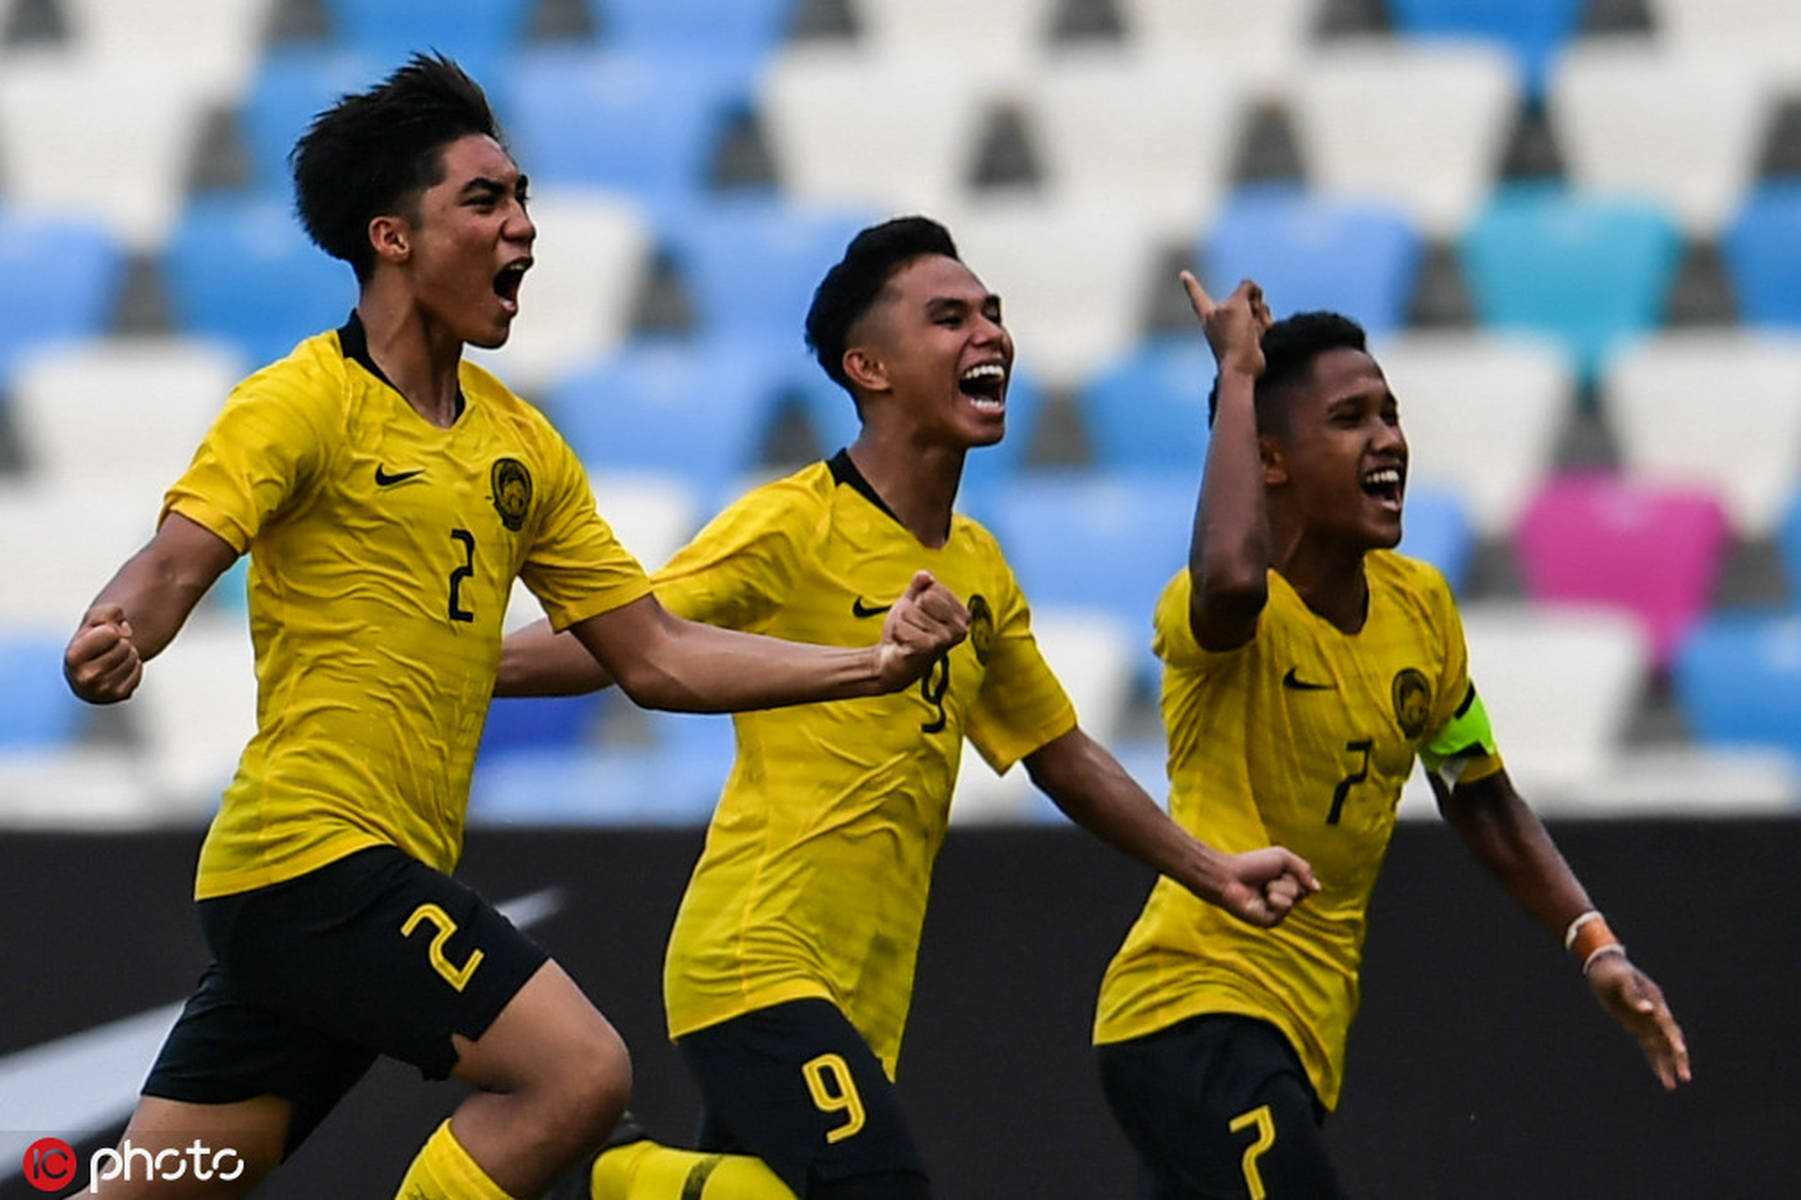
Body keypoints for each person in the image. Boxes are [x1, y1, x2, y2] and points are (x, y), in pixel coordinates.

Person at [59, 58, 969, 1200]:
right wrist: (121, 632)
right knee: (578, 1076)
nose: (525, 229)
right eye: (485, 201)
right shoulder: (300, 403)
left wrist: (869, 666)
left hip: (336, 900)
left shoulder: (522, 448)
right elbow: (174, 561)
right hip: (312, 867)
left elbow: (656, 653)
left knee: (152, 1190)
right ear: (391, 237)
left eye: (523, 199)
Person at [499, 217, 1321, 1200]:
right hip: (753, 956)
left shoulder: (979, 569)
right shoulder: (794, 523)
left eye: (993, 315)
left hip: (865, 1002)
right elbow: (620, 638)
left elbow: (1063, 754)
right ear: (869, 367)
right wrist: (455, 664)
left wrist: (1211, 869)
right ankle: (620, 1174)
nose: (989, 336)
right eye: (949, 318)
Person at [1091, 275, 1692, 1199]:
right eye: (1348, 419)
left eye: (1389, 413)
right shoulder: (1224, 614)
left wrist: (1594, 943)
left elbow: (1476, 787)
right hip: (1195, 1008)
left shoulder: (1421, 608)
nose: (1387, 441)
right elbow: (1228, 577)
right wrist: (1239, 375)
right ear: (1271, 462)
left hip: (1302, 1037)